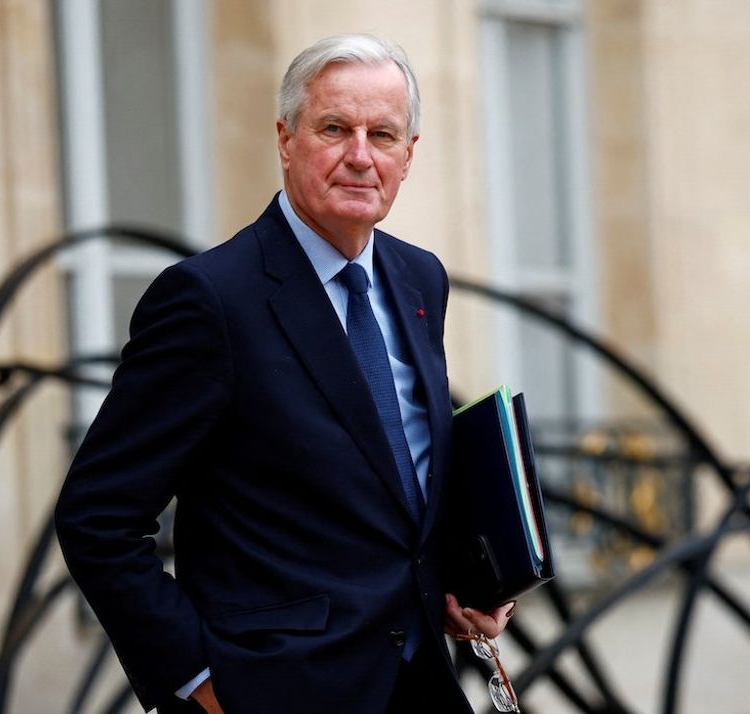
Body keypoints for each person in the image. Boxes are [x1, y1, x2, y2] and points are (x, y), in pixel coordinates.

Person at [55, 34, 514, 713]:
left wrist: (466, 580)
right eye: (335, 128)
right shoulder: (210, 299)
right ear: (286, 138)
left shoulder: (422, 279)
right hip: (276, 691)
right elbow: (96, 518)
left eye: (382, 135)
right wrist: (197, 684)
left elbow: (391, 484)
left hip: (420, 682)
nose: (360, 155)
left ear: (408, 155)